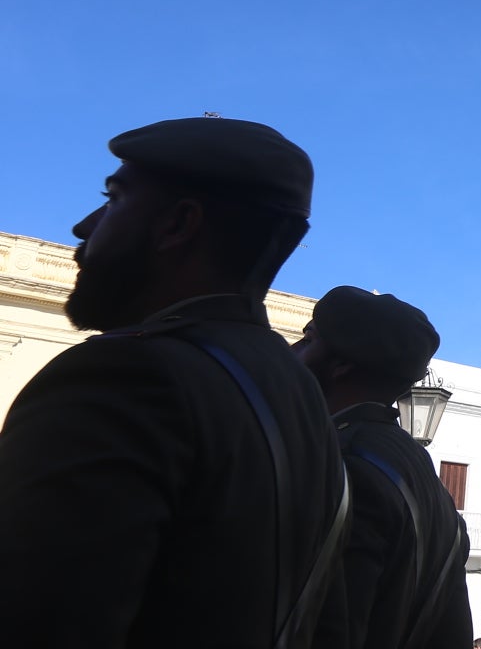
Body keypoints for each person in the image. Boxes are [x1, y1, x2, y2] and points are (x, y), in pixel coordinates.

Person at [0, 117, 348, 646]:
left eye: (113, 198)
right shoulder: (302, 403)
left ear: (177, 225)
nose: (84, 225)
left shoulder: (124, 375)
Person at [297, 285, 471, 649]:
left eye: (308, 340)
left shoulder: (346, 463)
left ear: (340, 364)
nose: (293, 352)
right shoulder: (426, 478)